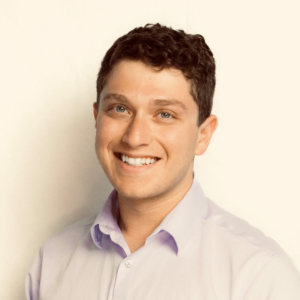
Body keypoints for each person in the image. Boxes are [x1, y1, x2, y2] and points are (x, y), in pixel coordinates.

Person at [25, 23, 300, 300]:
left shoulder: (259, 276)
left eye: (165, 114)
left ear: (203, 135)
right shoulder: (51, 261)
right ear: (97, 117)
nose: (135, 138)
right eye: (120, 109)